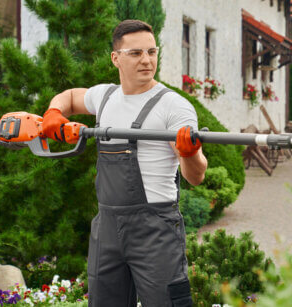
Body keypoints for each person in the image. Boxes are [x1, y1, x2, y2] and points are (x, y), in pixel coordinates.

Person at [40, 19, 206, 307]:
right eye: (136, 53)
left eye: (152, 52)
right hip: (106, 227)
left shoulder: (174, 106)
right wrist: (54, 112)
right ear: (116, 58)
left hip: (155, 230)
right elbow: (70, 96)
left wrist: (190, 153)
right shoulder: (105, 97)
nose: (147, 60)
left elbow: (196, 176)